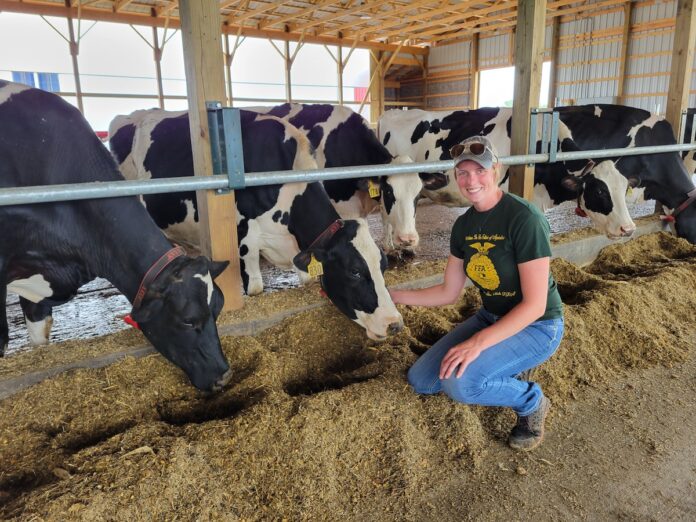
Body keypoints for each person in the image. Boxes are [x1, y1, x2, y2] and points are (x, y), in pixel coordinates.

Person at [390, 135, 564, 451]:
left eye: (479, 171)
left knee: (461, 383)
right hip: (491, 317)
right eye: (463, 173)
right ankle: (501, 362)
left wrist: (476, 343)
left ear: (495, 170)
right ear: (456, 177)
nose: (471, 181)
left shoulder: (524, 218)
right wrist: (393, 297)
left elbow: (536, 305)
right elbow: (448, 292)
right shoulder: (464, 226)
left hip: (538, 326)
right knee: (423, 381)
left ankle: (531, 401)